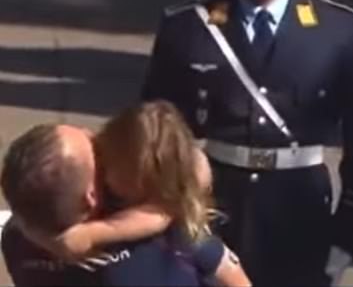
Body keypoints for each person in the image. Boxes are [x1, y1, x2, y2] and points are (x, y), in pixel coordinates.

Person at [142, 0, 353, 286]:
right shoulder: (190, 26)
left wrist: (346, 237)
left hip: (301, 211)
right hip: (215, 207)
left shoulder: (340, 32)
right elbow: (154, 135)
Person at [1, 102, 250, 286]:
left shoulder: (17, 242)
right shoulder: (162, 239)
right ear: (91, 197)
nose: (91, 134)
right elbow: (233, 278)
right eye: (98, 154)